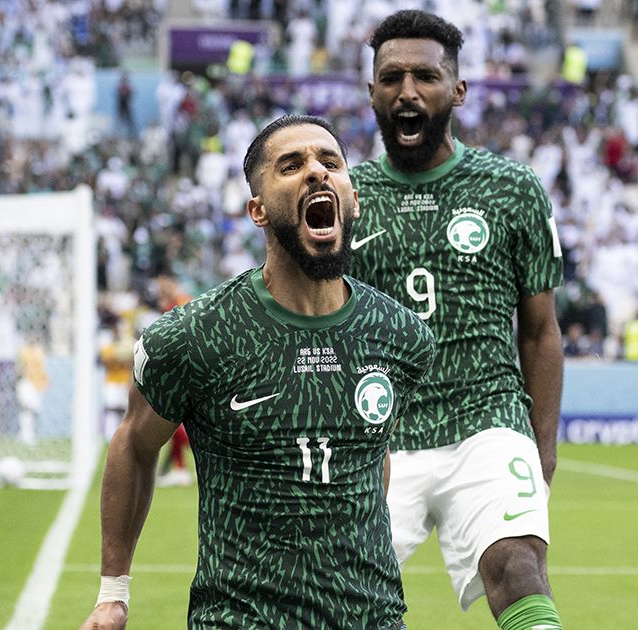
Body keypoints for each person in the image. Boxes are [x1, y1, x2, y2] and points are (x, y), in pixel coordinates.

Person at [79, 114, 437, 629]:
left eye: (329, 162)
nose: (316, 172)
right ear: (259, 209)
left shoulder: (400, 334)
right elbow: (134, 445)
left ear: (352, 197)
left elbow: (373, 455)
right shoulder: (194, 335)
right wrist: (114, 592)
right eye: (291, 165)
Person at [349, 10, 565, 630]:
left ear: (458, 91)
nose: (408, 91)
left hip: (488, 423)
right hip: (378, 437)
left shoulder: (512, 189)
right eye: (391, 78)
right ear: (372, 93)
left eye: (426, 76)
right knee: (333, 599)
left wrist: (541, 448)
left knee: (519, 569)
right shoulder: (346, 195)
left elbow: (540, 331)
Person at [151, 273, 195, 487]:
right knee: (173, 420)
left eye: (162, 288)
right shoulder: (167, 306)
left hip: (188, 370)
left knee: (176, 422)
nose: (159, 293)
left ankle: (188, 457)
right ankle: (179, 468)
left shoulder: (183, 302)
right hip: (175, 370)